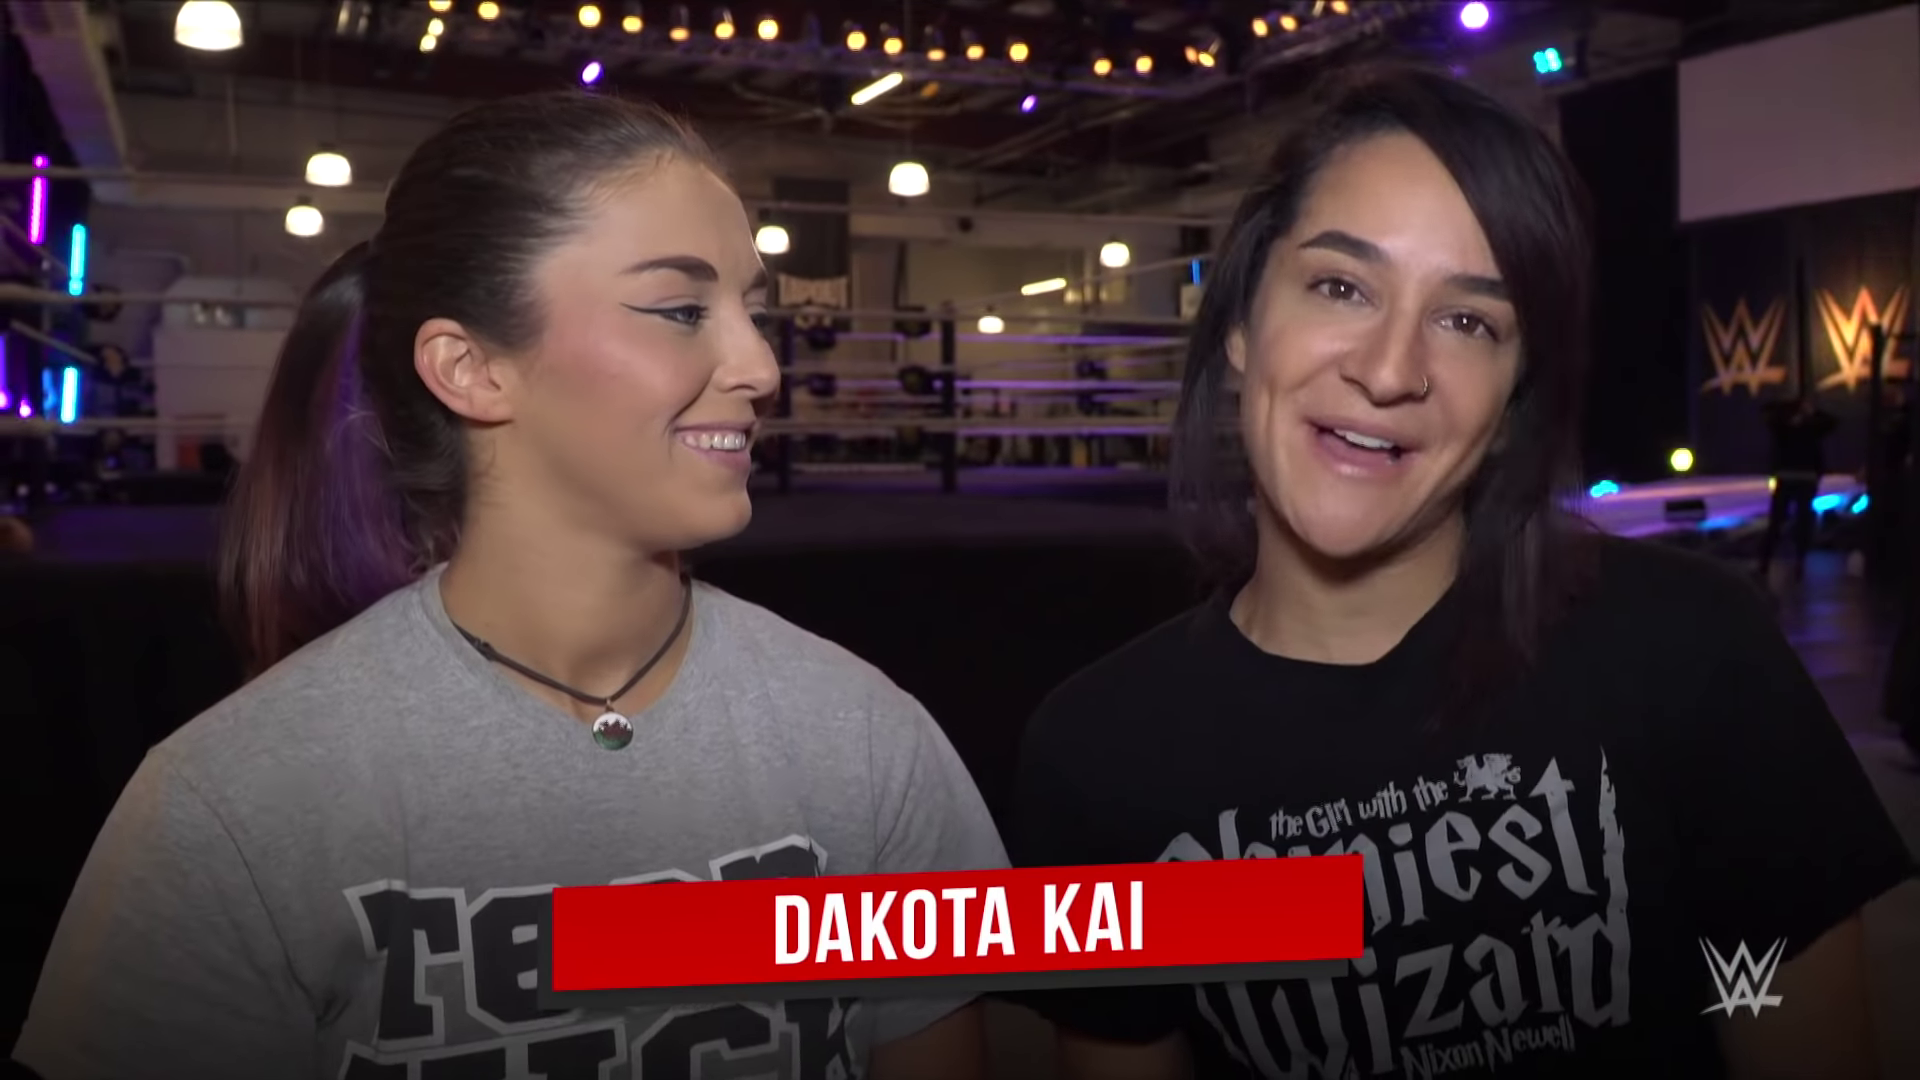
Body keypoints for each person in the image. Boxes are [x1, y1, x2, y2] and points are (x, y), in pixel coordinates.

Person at [14, 92, 1005, 1080]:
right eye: (679, 310)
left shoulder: (865, 738)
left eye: (754, 309)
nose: (759, 366)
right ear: (472, 368)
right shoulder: (235, 802)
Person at [1005, 66, 1912, 1080]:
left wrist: (1718, 980)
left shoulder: (1691, 653)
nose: (1390, 370)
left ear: (1515, 396)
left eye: (1469, 321)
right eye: (1341, 286)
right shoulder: (1101, 755)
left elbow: (1769, 1001)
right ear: (1242, 326)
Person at [1757, 394, 1837, 582]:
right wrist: (1809, 412)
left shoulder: (1788, 428)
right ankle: (1789, 561)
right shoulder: (1800, 428)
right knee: (1793, 521)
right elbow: (1831, 423)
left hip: (1793, 477)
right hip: (1802, 477)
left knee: (1783, 520)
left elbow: (1832, 423)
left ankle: (1771, 562)